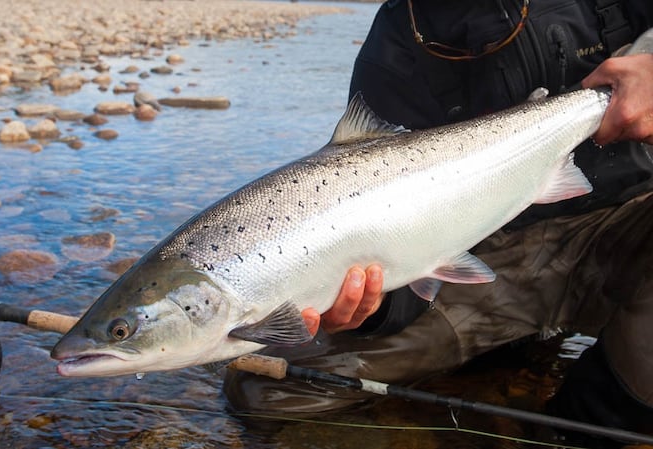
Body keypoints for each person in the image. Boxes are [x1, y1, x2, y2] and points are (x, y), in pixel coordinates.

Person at [223, 0, 653, 441]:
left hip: (631, 225)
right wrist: (369, 306)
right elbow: (396, 252)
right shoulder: (394, 46)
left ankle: (592, 426)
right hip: (493, 258)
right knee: (265, 390)